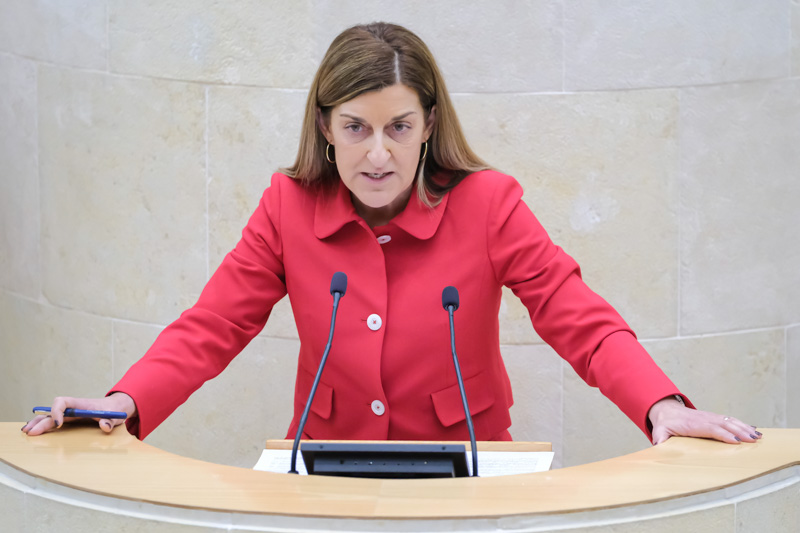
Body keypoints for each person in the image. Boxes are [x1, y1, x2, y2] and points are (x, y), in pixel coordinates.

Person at [23, 22, 761, 447]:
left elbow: (580, 320)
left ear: (428, 125)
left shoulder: (490, 203)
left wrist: (661, 405)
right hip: (327, 468)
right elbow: (211, 325)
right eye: (357, 128)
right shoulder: (287, 205)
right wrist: (127, 400)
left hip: (464, 473)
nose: (379, 153)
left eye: (399, 127)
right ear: (326, 127)